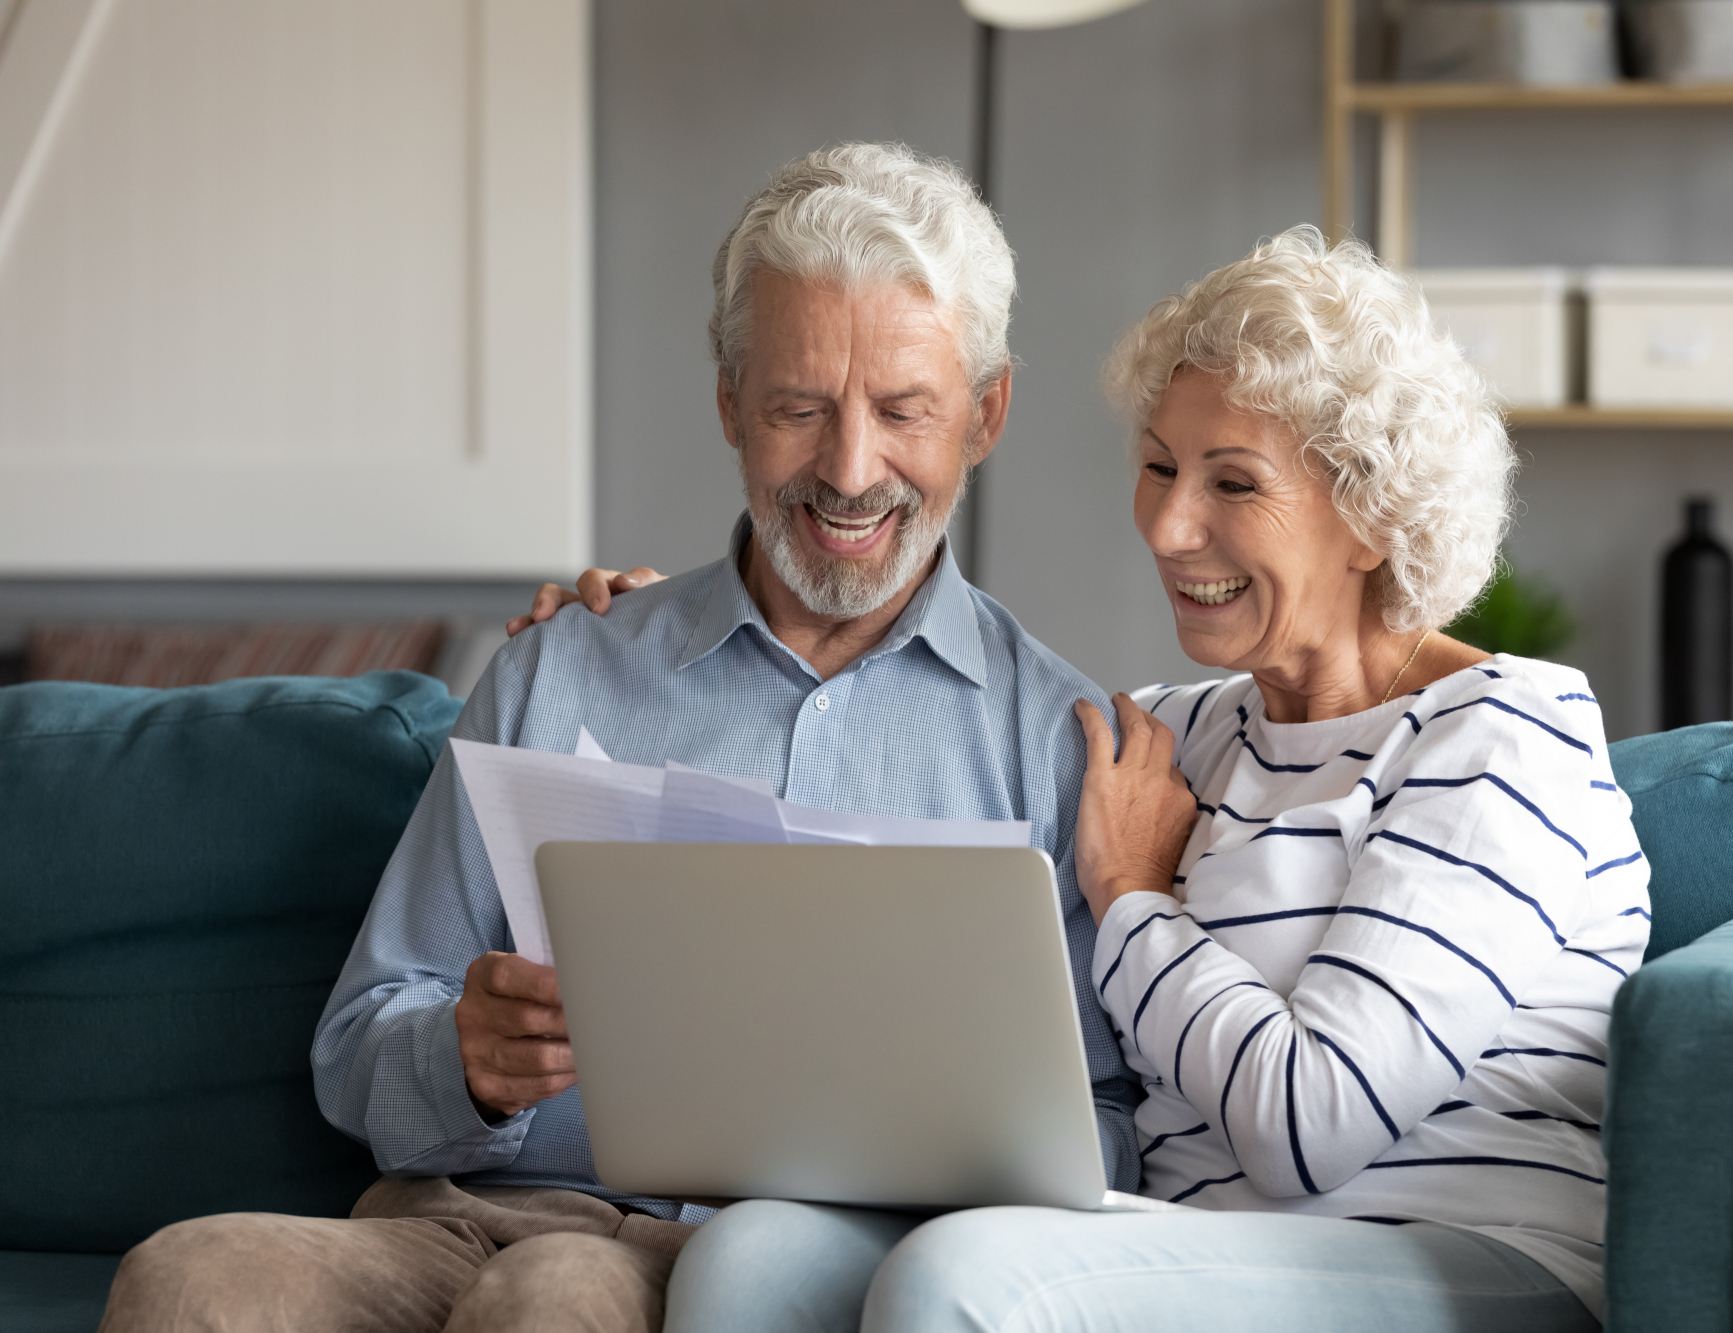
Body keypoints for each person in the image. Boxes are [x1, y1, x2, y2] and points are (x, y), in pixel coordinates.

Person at [94, 142, 1141, 1333]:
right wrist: (465, 1057)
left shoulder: (1054, 742)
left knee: (550, 1299)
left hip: (747, 1266)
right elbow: (360, 1036)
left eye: (903, 410)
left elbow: (1108, 1127)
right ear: (730, 403)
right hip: (458, 1213)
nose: (850, 471)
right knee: (188, 1276)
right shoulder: (562, 663)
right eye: (797, 408)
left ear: (985, 412)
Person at [542, 229, 1652, 1331]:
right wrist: (642, 628)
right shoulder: (1171, 738)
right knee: (751, 1257)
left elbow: (1312, 1123)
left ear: (1370, 514)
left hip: (1456, 1260)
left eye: (1231, 481)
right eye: (1160, 465)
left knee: (962, 1278)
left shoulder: (1501, 736)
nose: (1169, 526)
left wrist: (1132, 901)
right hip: (1172, 1243)